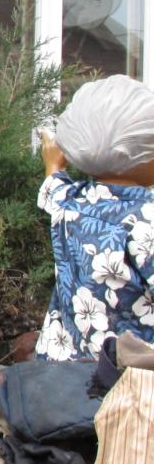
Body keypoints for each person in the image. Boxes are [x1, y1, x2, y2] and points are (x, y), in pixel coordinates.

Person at [35, 74, 154, 361]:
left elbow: (53, 189)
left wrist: (53, 163)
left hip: (66, 375)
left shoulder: (71, 203)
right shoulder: (146, 218)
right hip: (132, 385)